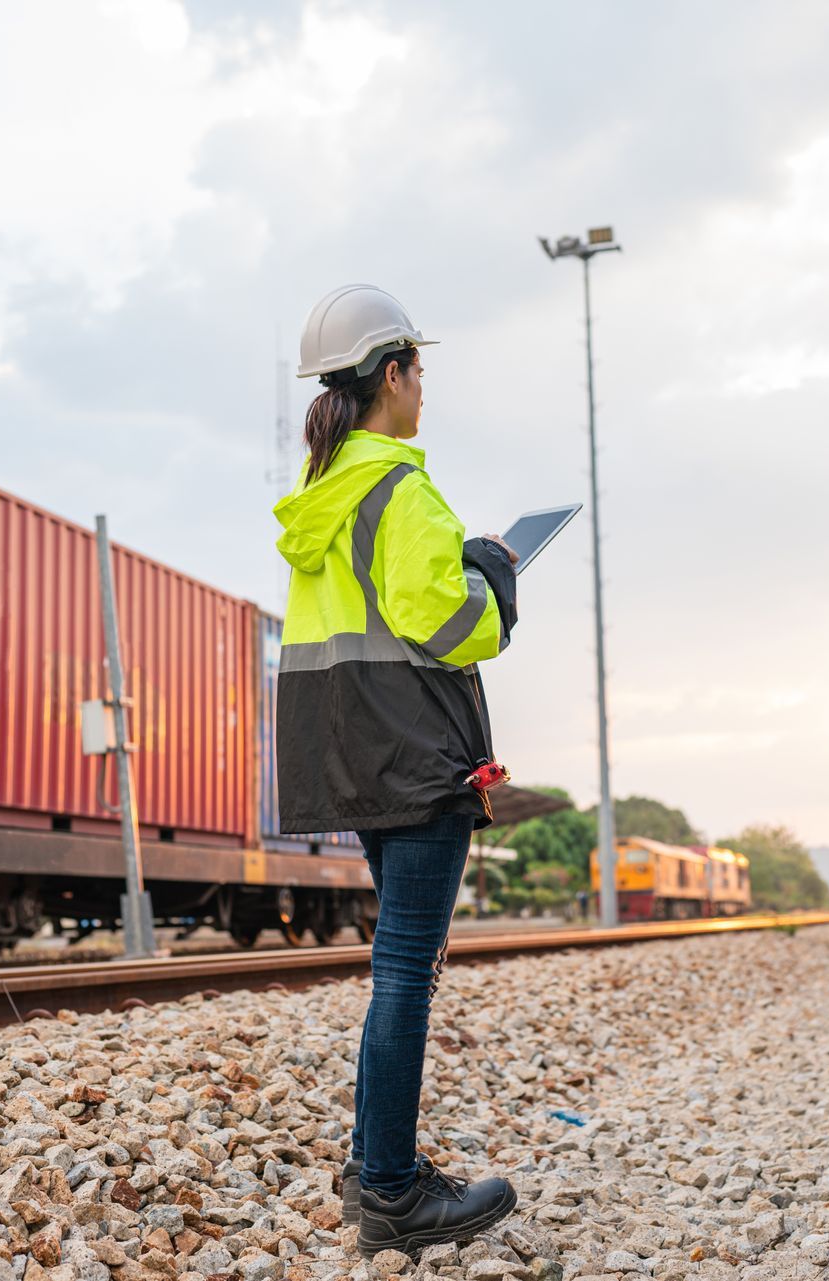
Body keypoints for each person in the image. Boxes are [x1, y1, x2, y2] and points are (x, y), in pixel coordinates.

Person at [273, 284, 521, 1253]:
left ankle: (374, 1166)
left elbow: (373, 616)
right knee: (405, 975)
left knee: (395, 970)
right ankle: (392, 1191)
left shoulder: (320, 501)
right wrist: (492, 572)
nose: (426, 388)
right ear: (390, 375)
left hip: (353, 753)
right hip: (419, 755)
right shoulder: (402, 489)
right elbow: (454, 626)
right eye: (419, 369)